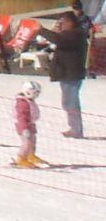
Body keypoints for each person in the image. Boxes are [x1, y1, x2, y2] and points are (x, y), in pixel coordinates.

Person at [34, 11, 90, 139]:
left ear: (70, 22)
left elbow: (59, 40)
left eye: (62, 23)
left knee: (71, 102)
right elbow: (56, 39)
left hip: (71, 73)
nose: (60, 25)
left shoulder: (76, 34)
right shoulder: (72, 33)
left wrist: (42, 30)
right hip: (67, 72)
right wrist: (54, 31)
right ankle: (74, 128)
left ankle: (76, 129)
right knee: (68, 102)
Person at [14, 80, 43, 168]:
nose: (36, 95)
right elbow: (21, 117)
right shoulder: (22, 103)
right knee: (27, 142)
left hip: (30, 123)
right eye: (35, 93)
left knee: (33, 140)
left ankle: (31, 155)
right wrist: (24, 129)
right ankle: (21, 158)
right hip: (23, 125)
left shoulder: (29, 100)